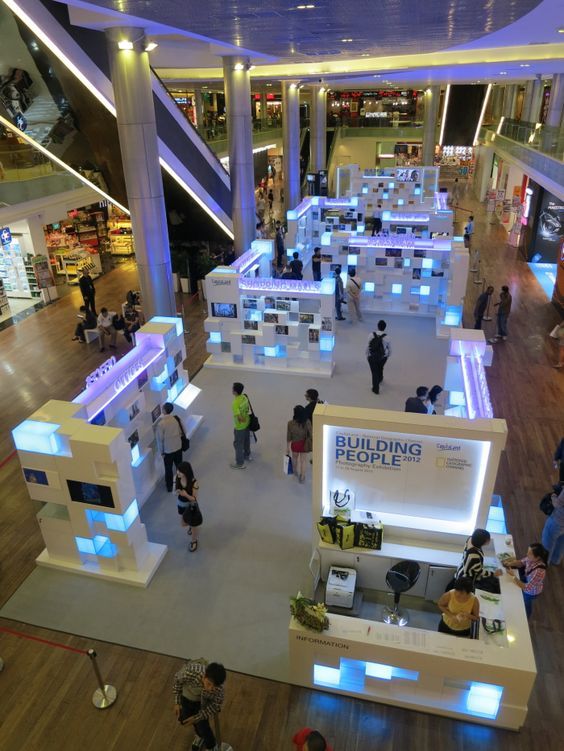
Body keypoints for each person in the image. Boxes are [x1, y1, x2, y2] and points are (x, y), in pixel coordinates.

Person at [173, 659, 226, 750]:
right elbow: (177, 680)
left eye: (214, 687)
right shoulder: (189, 671)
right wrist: (177, 702)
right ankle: (200, 736)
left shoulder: (219, 690)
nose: (210, 689)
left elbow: (216, 705)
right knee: (185, 719)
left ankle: (212, 746)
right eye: (208, 684)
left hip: (202, 704)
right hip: (186, 699)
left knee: (203, 726)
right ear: (204, 675)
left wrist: (198, 717)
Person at [502, 543, 548, 619]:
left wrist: (513, 576)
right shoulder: (531, 558)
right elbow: (521, 563)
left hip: (531, 592)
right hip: (526, 579)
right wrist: (509, 563)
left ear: (537, 558)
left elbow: (526, 588)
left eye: (530, 553)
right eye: (528, 551)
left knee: (526, 604)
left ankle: (526, 617)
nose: (527, 554)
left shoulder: (539, 572)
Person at [157, 402, 185, 492]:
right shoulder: (176, 419)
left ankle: (169, 486)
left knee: (168, 469)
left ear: (164, 410)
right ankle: (182, 483)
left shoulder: (161, 424)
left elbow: (160, 440)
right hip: (178, 447)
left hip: (168, 450)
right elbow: (183, 431)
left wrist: (161, 452)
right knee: (179, 466)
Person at [175, 462, 202, 553]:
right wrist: (176, 492)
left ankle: (194, 541)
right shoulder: (177, 478)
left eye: (180, 471)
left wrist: (185, 495)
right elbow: (174, 491)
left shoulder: (194, 482)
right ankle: (191, 525)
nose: (177, 472)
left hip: (190, 507)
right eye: (177, 470)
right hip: (181, 504)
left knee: (193, 524)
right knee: (183, 524)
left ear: (186, 472)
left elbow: (194, 499)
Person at [287, 405, 312, 484]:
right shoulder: (307, 422)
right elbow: (311, 434)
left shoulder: (290, 423)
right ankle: (302, 476)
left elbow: (289, 437)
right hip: (304, 444)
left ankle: (295, 471)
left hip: (295, 444)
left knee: (294, 458)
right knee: (303, 461)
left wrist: (287, 448)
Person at [366, 321, 391, 394]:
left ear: (377, 326)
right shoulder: (387, 337)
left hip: (372, 356)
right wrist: (387, 356)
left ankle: (375, 389)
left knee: (374, 372)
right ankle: (380, 378)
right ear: (385, 327)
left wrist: (367, 355)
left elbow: (368, 346)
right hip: (382, 357)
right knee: (380, 367)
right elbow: (390, 349)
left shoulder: (371, 335)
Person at [542, 485, 564, 565]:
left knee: (548, 540)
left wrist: (553, 496)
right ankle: (555, 560)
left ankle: (544, 562)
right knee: (561, 542)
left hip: (558, 520)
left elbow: (558, 504)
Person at [231, 382, 251, 469]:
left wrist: (242, 420)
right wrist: (245, 419)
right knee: (247, 440)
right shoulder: (244, 397)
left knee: (238, 444)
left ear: (235, 392)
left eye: (232, 388)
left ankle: (239, 463)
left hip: (240, 427)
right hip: (247, 424)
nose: (231, 390)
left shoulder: (235, 403)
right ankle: (247, 455)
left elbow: (239, 418)